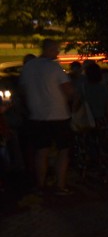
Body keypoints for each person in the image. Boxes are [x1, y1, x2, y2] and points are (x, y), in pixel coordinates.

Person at [18, 39, 75, 194]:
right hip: (58, 115)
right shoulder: (54, 68)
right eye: (56, 49)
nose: (57, 53)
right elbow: (69, 91)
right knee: (63, 151)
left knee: (41, 151)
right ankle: (60, 185)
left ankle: (40, 185)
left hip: (37, 116)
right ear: (49, 49)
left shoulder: (28, 67)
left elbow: (22, 90)